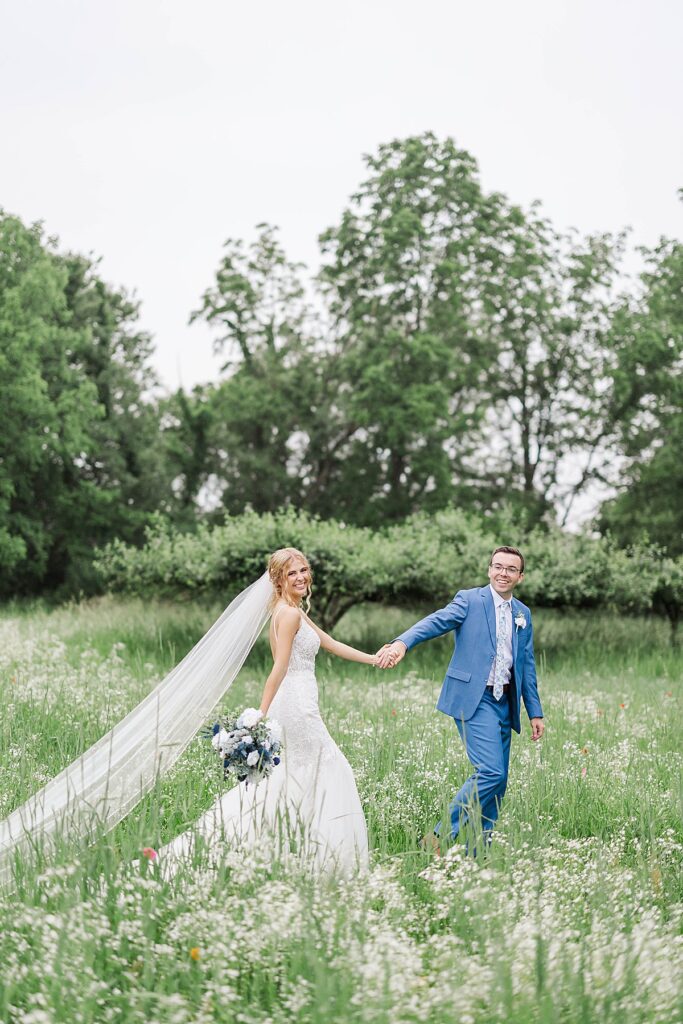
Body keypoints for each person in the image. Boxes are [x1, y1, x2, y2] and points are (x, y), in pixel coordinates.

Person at [159, 548, 374, 875]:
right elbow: (279, 667)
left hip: (298, 701)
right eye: (292, 573)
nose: (301, 577)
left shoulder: (291, 609)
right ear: (278, 579)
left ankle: (289, 852)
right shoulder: (288, 615)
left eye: (303, 570)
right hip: (297, 705)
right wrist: (259, 714)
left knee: (289, 779)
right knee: (327, 769)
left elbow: (330, 643)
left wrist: (375, 659)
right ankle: (325, 862)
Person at [376, 546, 544, 851]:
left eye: (510, 569)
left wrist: (534, 711)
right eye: (498, 566)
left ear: (520, 576)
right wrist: (403, 643)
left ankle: (479, 852)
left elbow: (527, 663)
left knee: (497, 783)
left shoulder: (523, 613)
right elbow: (435, 622)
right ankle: (438, 837)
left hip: (504, 702)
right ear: (489, 569)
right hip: (474, 698)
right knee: (491, 772)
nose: (502, 573)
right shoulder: (470, 600)